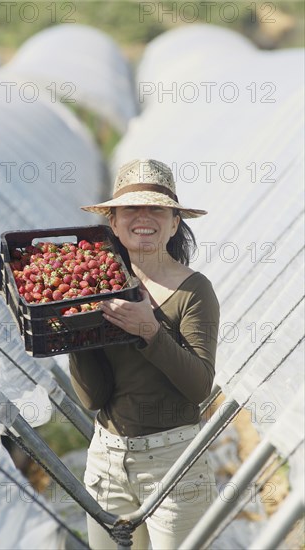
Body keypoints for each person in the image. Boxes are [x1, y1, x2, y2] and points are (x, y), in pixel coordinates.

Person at [69, 159, 220, 549]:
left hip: (174, 464)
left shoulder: (194, 292)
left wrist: (150, 330)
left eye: (156, 208)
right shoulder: (100, 288)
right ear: (114, 223)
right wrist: (77, 335)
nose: (144, 217)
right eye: (131, 208)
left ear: (174, 223)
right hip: (107, 460)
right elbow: (94, 398)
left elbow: (199, 386)